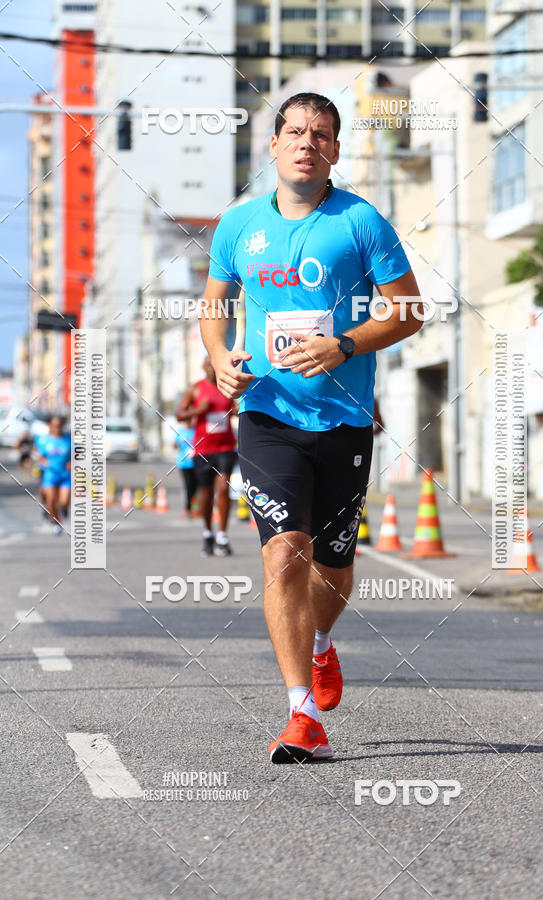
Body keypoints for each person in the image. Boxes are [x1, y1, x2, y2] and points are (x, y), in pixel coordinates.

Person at [200, 92, 422, 763]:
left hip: (344, 419)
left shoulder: (361, 222)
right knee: (282, 553)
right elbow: (214, 309)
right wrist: (218, 361)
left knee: (333, 568)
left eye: (320, 134)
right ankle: (302, 718)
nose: (306, 142)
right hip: (266, 414)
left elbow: (409, 310)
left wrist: (345, 346)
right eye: (294, 131)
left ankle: (322, 645)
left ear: (334, 150)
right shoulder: (237, 227)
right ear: (272, 145)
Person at [175, 358, 237, 556]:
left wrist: (236, 411)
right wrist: (197, 410)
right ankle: (208, 532)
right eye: (208, 364)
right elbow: (179, 414)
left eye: (214, 364)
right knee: (207, 494)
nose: (212, 368)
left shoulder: (227, 386)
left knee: (223, 487)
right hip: (203, 450)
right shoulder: (195, 389)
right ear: (203, 367)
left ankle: (223, 537)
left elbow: (235, 409)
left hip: (226, 447)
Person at [33, 414, 71, 536]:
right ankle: (56, 524)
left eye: (59, 426)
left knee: (64, 501)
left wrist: (72, 462)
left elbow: (77, 453)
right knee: (50, 501)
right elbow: (37, 454)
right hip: (50, 475)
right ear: (50, 425)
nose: (57, 428)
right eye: (55, 426)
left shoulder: (68, 439)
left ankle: (63, 509)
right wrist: (43, 461)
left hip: (65, 475)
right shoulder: (44, 440)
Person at [173, 422, 197, 518]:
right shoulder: (180, 431)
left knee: (196, 485)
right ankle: (187, 509)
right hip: (184, 463)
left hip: (195, 462)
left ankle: (195, 508)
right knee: (188, 485)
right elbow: (175, 445)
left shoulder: (195, 430)